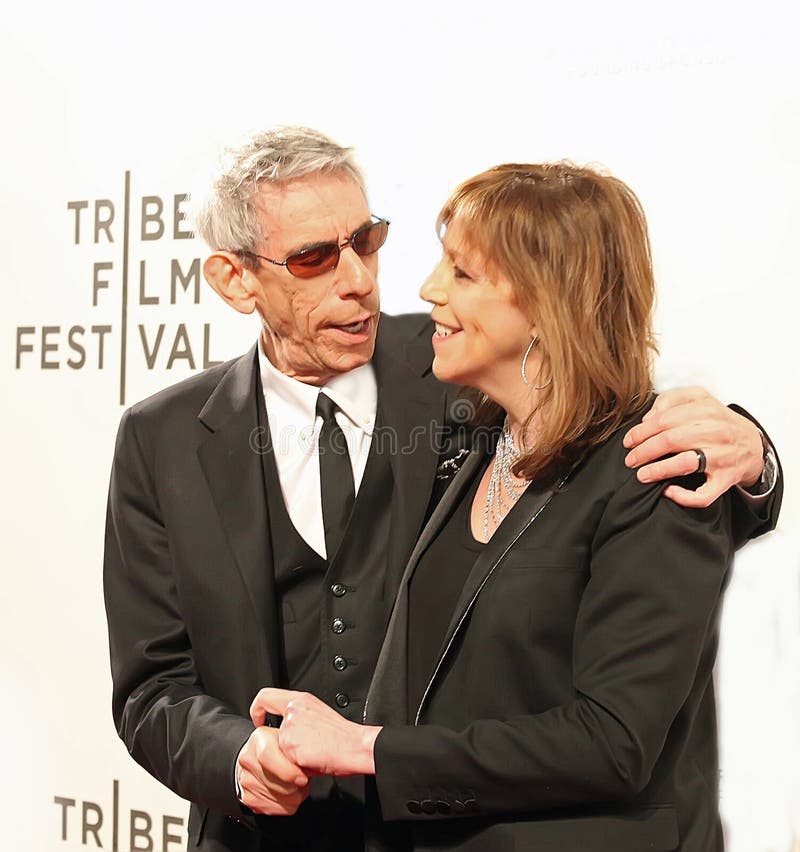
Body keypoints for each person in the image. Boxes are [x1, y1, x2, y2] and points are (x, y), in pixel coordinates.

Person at [103, 129, 780, 852]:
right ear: (236, 280)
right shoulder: (161, 437)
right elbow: (151, 685)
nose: (360, 278)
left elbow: (621, 453)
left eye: (366, 240)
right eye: (315, 258)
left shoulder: (464, 372)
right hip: (262, 835)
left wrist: (755, 453)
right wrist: (238, 757)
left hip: (449, 826)